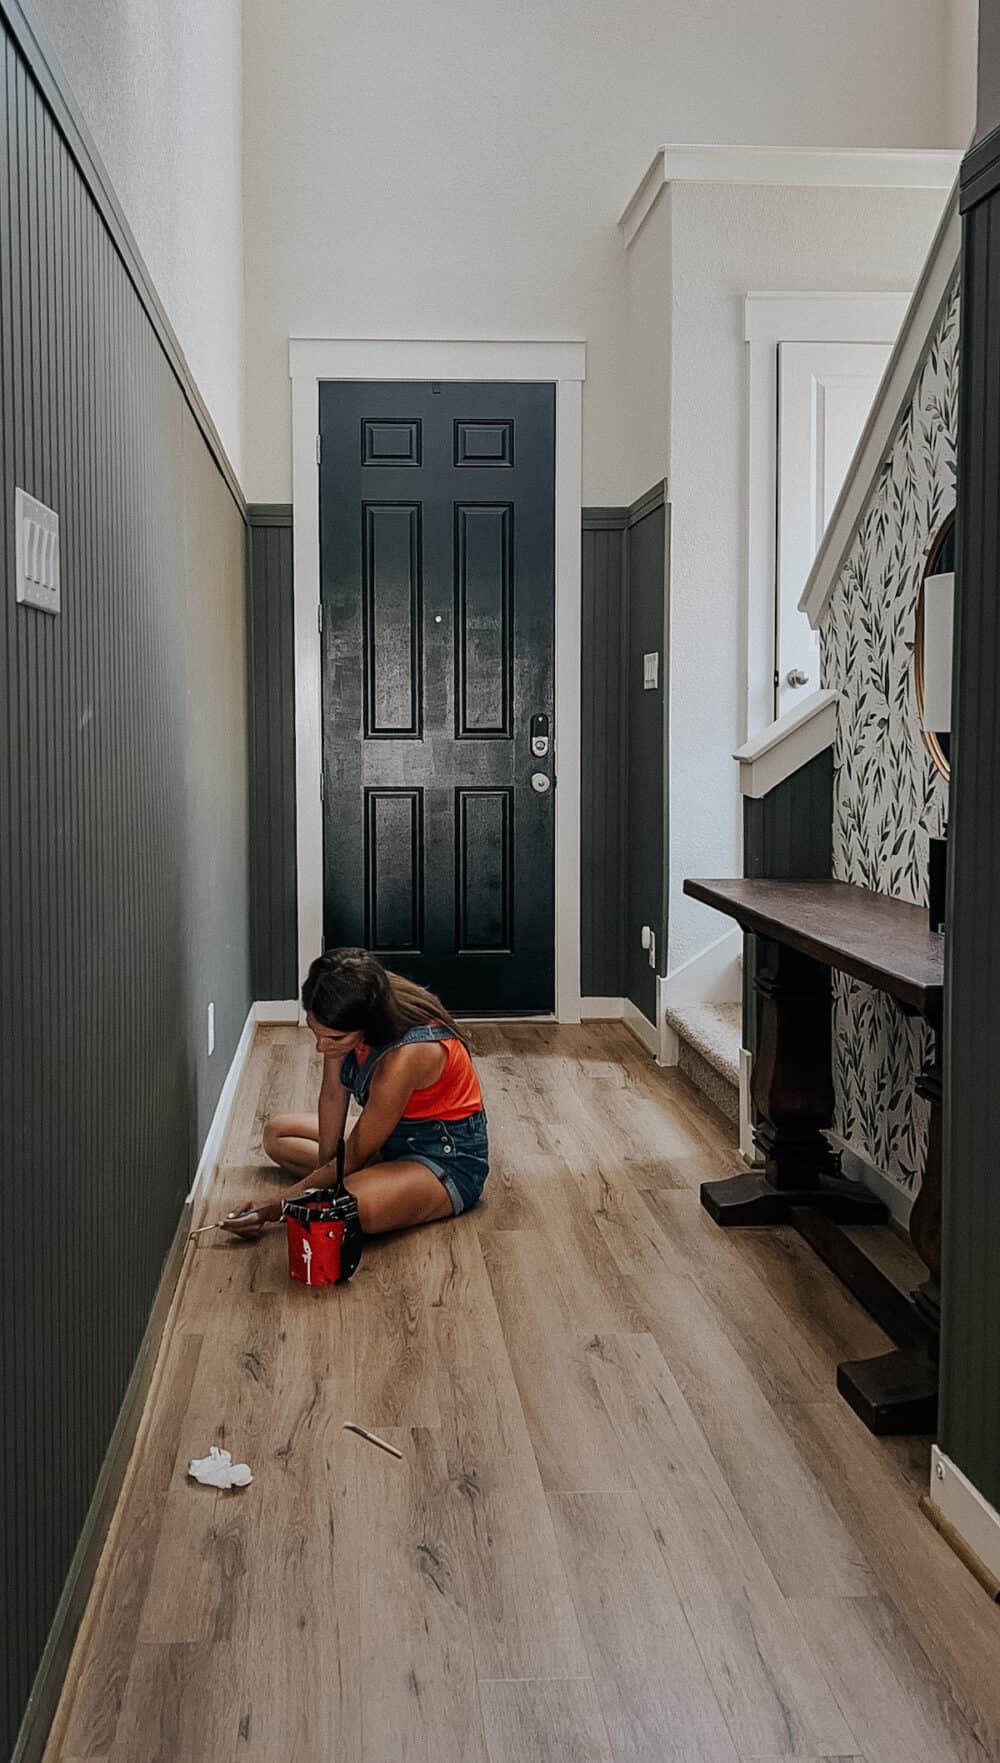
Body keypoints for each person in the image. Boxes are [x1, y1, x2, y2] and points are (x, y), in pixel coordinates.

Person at [223, 948, 489, 1237]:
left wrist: (276, 1207)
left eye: (334, 1038)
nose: (321, 1047)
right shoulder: (345, 1007)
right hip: (391, 1134)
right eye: (316, 1032)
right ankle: (379, 1179)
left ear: (370, 1024)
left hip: (443, 1158)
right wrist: (324, 1173)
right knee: (276, 1134)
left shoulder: (407, 1055)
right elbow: (333, 1096)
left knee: (347, 1205)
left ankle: (382, 1184)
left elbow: (353, 1157)